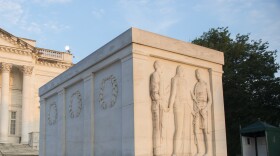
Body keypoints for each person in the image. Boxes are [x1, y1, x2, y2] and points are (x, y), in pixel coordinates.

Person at [167, 66, 188, 156]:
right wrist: (170, 106)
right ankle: (175, 152)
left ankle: (181, 152)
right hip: (178, 104)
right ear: (179, 70)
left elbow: (186, 95)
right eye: (182, 70)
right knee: (178, 129)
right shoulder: (174, 79)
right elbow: (173, 93)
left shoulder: (184, 80)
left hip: (185, 105)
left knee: (183, 129)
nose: (183, 72)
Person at [191, 69, 212, 156]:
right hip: (197, 108)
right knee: (196, 131)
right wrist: (194, 109)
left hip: (203, 108)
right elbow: (194, 99)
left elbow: (210, 100)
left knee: (205, 130)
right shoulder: (196, 85)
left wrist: (205, 108)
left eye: (198, 73)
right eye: (196, 74)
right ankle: (199, 151)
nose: (197, 75)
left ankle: (208, 151)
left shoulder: (205, 85)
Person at [150, 61, 165, 156]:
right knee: (157, 128)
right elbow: (154, 91)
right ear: (159, 66)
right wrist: (159, 99)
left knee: (160, 127)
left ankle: (159, 149)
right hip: (157, 104)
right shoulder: (155, 75)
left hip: (160, 104)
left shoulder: (159, 75)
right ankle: (157, 150)